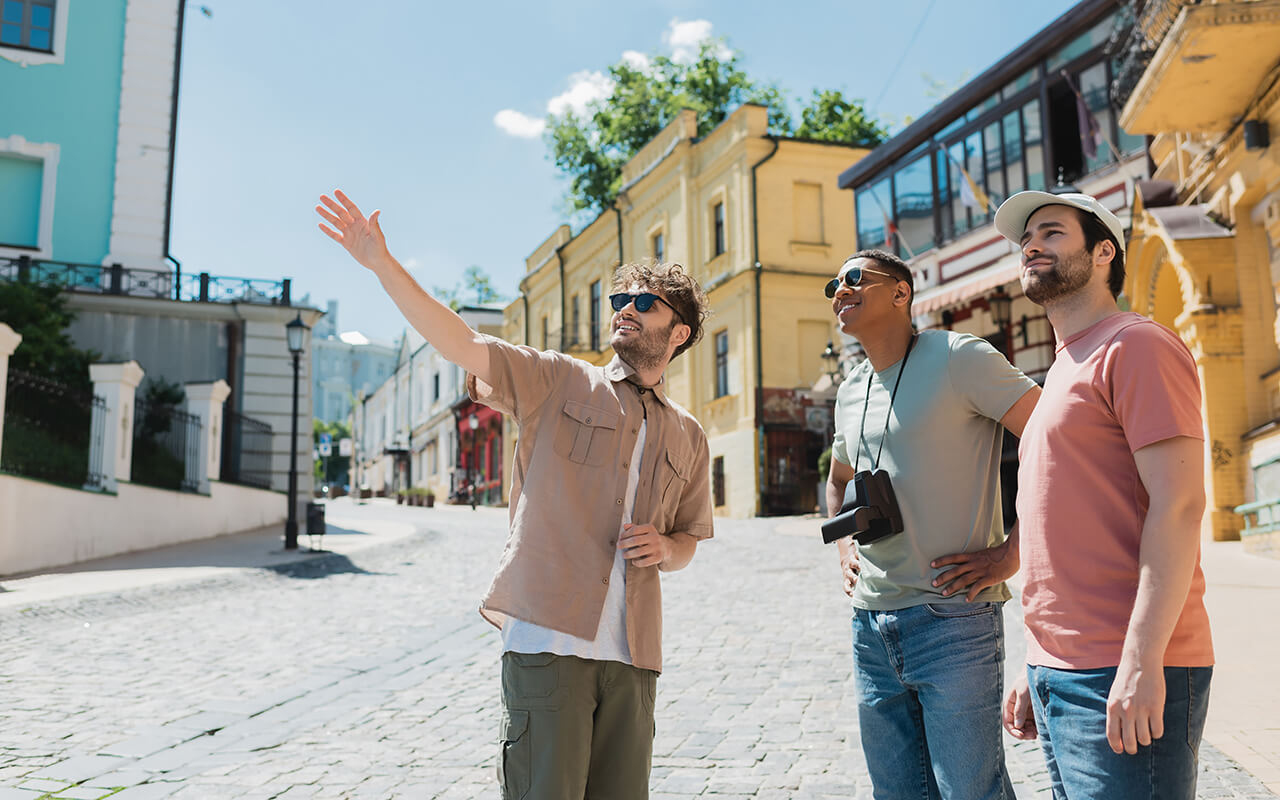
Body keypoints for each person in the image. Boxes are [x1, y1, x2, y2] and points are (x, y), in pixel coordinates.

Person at [316, 190, 714, 800]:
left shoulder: (688, 433)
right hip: (548, 642)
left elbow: (688, 541)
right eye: (618, 300)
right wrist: (382, 265)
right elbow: (463, 344)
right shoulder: (558, 379)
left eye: (643, 302)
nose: (623, 310)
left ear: (679, 330)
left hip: (635, 658)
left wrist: (664, 546)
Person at [994, 191, 1214, 800]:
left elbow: (1179, 505)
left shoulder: (1135, 345)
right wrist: (1035, 663)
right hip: (1060, 672)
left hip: (1125, 666)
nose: (1032, 245)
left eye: (1052, 232)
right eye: (1026, 239)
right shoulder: (1062, 368)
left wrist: (1141, 660)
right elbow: (1056, 527)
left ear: (1103, 253)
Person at [824, 249, 1039, 800]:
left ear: (901, 293)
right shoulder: (851, 388)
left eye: (854, 279)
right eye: (833, 286)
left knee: (971, 792)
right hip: (870, 623)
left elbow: (1052, 437)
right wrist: (844, 541)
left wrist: (1014, 552)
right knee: (896, 793)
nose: (840, 292)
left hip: (954, 618)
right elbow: (837, 481)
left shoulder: (958, 356)